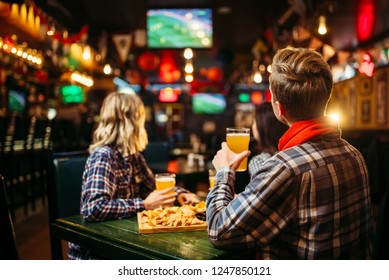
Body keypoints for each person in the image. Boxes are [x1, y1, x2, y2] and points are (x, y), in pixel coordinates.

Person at [207, 47, 373, 259]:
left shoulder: (285, 168)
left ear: (279, 108)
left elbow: (220, 232)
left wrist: (223, 171)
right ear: (326, 98)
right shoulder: (354, 155)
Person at [67, 92, 198, 260]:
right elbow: (93, 208)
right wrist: (143, 204)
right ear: (129, 122)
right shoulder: (103, 156)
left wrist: (180, 194)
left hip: (121, 241)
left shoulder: (134, 156)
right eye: (140, 118)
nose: (142, 125)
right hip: (97, 253)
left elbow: (153, 186)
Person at [248, 102, 288, 178]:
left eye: (254, 121)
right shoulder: (290, 154)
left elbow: (258, 189)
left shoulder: (259, 161)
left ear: (262, 126)